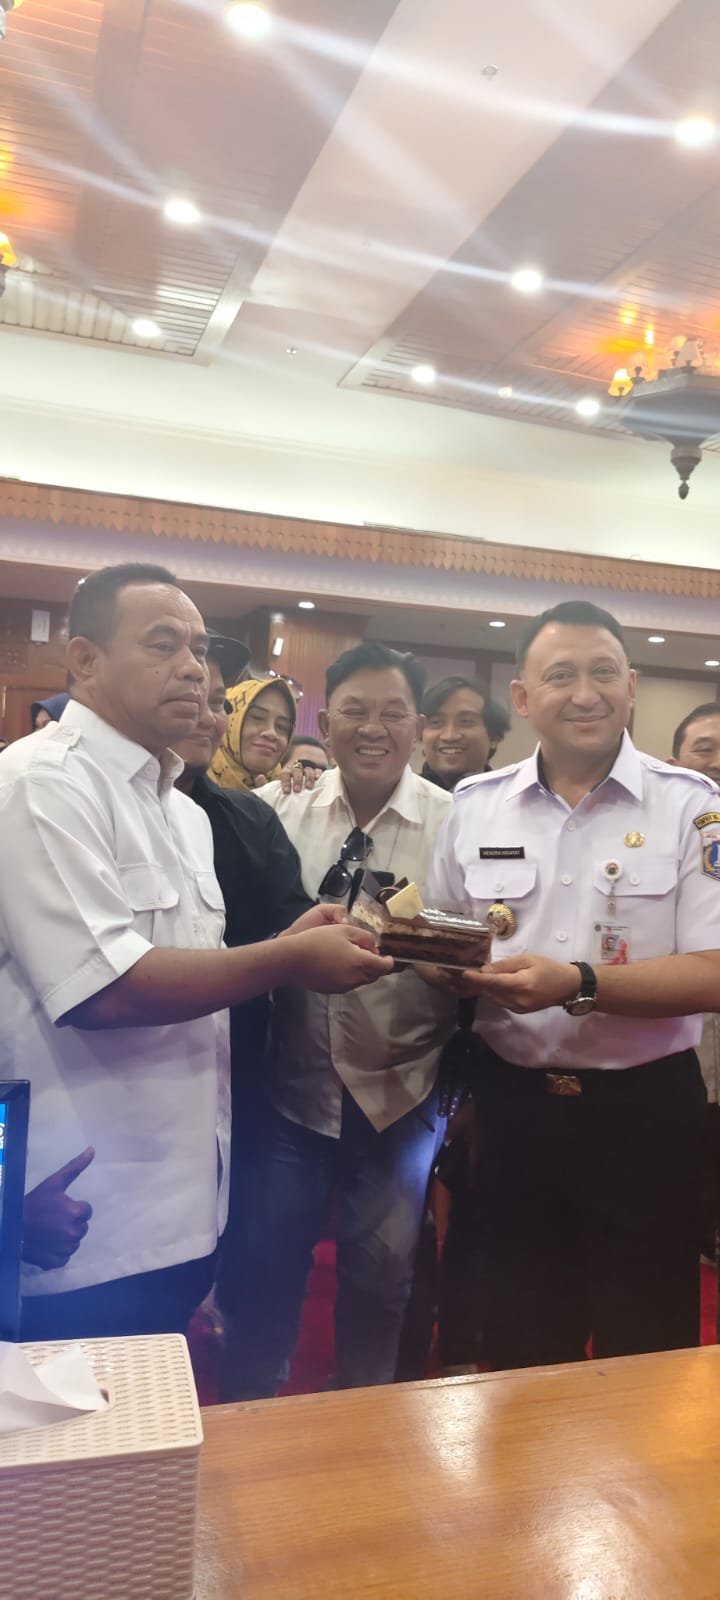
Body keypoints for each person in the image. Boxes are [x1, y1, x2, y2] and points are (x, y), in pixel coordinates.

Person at [0, 563, 391, 1341]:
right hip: (73, 1207)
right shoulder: (40, 784)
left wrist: (285, 941)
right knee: (68, 1415)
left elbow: (196, 970)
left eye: (198, 649)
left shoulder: (183, 813)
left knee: (160, 1407)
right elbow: (105, 989)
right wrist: (288, 961)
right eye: (161, 644)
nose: (191, 667)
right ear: (85, 660)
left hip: (184, 1199)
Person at [426, 598, 720, 1368]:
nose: (584, 694)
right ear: (523, 697)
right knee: (521, 1345)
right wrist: (441, 966)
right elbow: (447, 935)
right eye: (560, 676)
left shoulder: (693, 808)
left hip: (644, 1115)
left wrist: (576, 983)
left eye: (603, 673)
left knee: (648, 1349)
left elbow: (716, 970)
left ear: (632, 688)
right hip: (513, 1111)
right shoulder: (476, 806)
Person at [221, 642, 456, 1397]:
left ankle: (366, 1417)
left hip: (402, 1092)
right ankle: (250, 1417)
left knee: (382, 1280)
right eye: (354, 711)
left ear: (417, 726)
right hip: (291, 1087)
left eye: (392, 712)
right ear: (325, 724)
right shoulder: (275, 811)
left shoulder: (456, 824)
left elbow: (481, 947)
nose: (373, 728)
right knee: (266, 1269)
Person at [170, 633, 313, 1304]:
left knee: (236, 1227)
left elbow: (291, 917)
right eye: (193, 696)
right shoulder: (61, 793)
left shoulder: (251, 815)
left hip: (241, 1056)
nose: (207, 715)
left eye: (218, 702)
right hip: (117, 1072)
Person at [669, 703, 720, 1262]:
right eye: (704, 748)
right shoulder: (663, 835)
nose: (717, 761)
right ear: (675, 761)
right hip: (683, 1028)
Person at [421, 677, 510, 790]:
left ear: (493, 737)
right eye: (436, 722)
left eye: (466, 722)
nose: (449, 736)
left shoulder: (511, 799)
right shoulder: (403, 796)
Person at [209, 676, 296, 790]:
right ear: (230, 718)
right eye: (257, 717)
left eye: (282, 726)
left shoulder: (285, 790)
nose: (271, 733)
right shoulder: (190, 783)